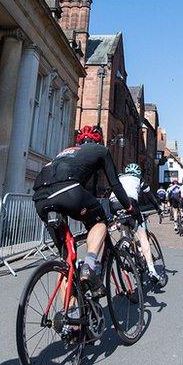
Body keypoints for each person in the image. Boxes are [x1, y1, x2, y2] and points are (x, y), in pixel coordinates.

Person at [32, 125, 136, 295]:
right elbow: (115, 184)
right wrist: (129, 206)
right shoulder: (101, 150)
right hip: (67, 190)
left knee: (67, 262)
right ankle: (89, 266)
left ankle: (70, 314)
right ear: (99, 140)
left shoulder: (66, 153)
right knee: (100, 222)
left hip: (40, 198)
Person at [111, 164, 162, 285]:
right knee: (143, 236)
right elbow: (150, 196)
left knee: (124, 223)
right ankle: (152, 270)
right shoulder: (139, 179)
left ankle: (126, 246)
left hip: (113, 204)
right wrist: (158, 208)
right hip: (130, 203)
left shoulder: (119, 178)